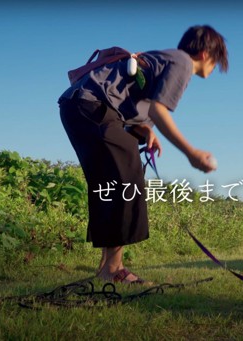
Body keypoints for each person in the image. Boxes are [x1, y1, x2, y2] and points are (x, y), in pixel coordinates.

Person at [58, 25, 228, 284]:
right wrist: (191, 153)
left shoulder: (163, 59)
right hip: (90, 106)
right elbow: (159, 111)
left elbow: (128, 101)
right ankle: (114, 271)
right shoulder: (182, 62)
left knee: (112, 184)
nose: (215, 68)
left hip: (79, 106)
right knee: (127, 180)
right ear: (205, 54)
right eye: (218, 62)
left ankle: (107, 266)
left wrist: (143, 130)